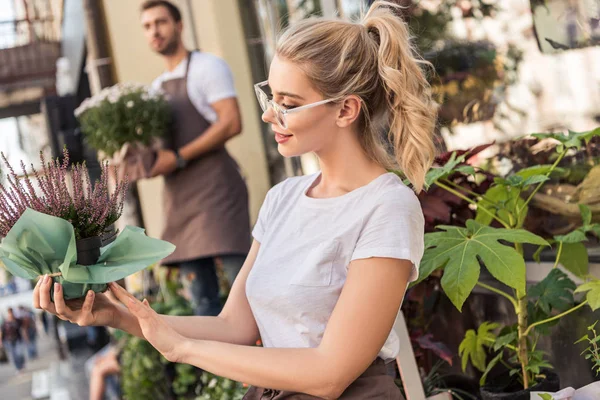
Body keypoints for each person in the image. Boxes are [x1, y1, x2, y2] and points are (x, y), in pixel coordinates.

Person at [34, 1, 436, 398]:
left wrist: (184, 349)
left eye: (289, 104)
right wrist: (118, 316)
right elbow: (234, 327)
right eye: (270, 96)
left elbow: (329, 374)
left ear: (346, 109)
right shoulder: (283, 198)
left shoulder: (386, 207)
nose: (268, 115)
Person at [140, 0, 251, 315]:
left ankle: (271, 357)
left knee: (244, 289)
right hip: (180, 201)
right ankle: (219, 365)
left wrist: (177, 158)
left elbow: (231, 121)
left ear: (179, 25)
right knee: (202, 302)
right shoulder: (156, 89)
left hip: (217, 192)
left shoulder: (207, 67)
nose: (154, 32)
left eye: (160, 22)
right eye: (147, 27)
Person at [0, 307, 27, 374]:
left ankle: (22, 364)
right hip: (8, 341)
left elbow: (23, 328)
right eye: (9, 313)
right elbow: (1, 332)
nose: (10, 315)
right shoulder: (5, 323)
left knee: (19, 353)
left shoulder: (17, 320)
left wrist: (25, 336)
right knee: (13, 355)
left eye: (11, 313)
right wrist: (0, 342)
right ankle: (18, 368)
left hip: (18, 339)